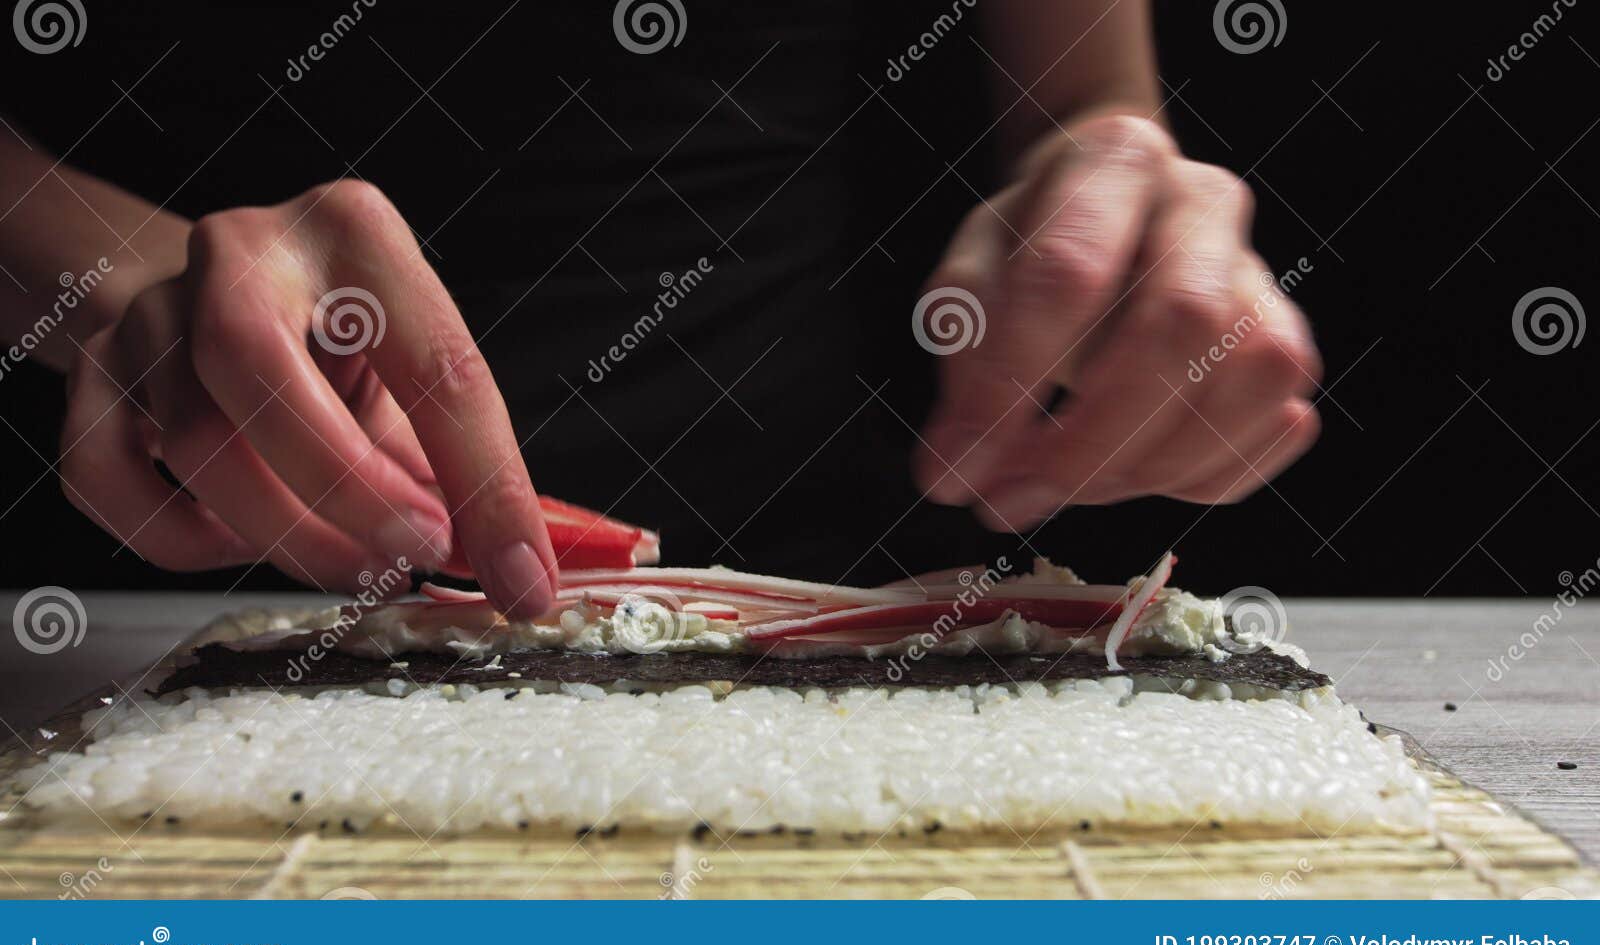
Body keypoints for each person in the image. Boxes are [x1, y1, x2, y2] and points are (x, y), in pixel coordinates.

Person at [0, 1, 1318, 619]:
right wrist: (117, 278)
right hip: (160, 581)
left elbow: (1086, 101)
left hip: (828, 593)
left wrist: (1116, 205)